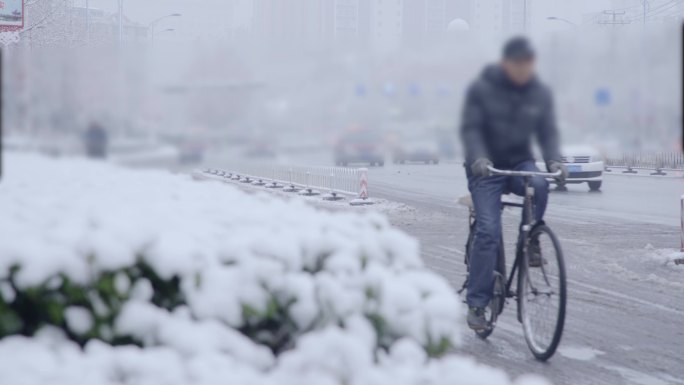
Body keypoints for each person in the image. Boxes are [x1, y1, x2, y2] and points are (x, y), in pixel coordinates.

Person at [460, 36, 568, 331]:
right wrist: (478, 158)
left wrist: (555, 161)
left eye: (528, 64)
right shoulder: (482, 91)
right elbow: (471, 131)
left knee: (540, 185)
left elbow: (547, 133)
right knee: (489, 230)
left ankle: (530, 240)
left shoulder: (538, 93)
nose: (524, 70)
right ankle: (477, 304)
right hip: (487, 169)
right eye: (519, 64)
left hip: (520, 163)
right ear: (506, 63)